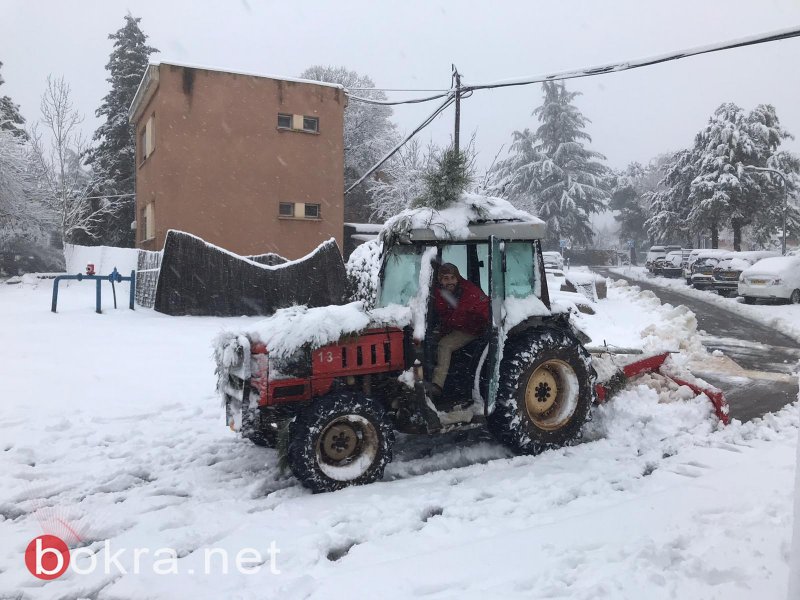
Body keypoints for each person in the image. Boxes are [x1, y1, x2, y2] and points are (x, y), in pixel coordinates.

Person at [428, 263, 490, 399]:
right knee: (426, 342)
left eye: (452, 278)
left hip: (470, 328)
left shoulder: (469, 292)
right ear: (439, 279)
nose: (450, 282)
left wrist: (491, 328)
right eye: (445, 278)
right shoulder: (437, 293)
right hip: (451, 326)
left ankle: (437, 385)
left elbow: (486, 307)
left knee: (445, 345)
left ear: (458, 278)